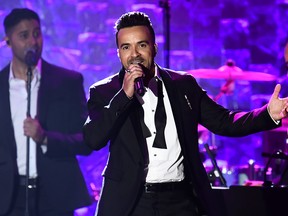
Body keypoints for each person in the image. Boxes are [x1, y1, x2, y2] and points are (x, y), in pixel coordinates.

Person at [83, 11, 288, 216]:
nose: (134, 54)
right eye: (126, 47)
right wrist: (123, 96)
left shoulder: (183, 85)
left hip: (179, 200)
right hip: (131, 201)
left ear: (154, 48)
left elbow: (224, 121)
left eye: (142, 45)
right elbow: (93, 138)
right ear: (119, 52)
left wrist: (268, 113)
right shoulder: (104, 91)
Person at [0, 8, 92, 216]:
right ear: (8, 41)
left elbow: (86, 141)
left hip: (55, 196)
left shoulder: (67, 82)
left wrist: (45, 138)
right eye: (24, 36)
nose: (33, 42)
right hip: (8, 197)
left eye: (36, 33)